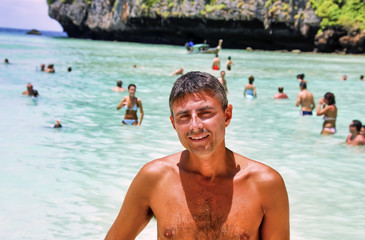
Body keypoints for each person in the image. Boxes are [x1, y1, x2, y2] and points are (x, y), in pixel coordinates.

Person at [106, 71, 289, 239]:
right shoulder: (154, 178)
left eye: (205, 113)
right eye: (184, 116)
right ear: (173, 124)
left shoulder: (265, 184)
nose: (195, 126)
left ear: (227, 116)